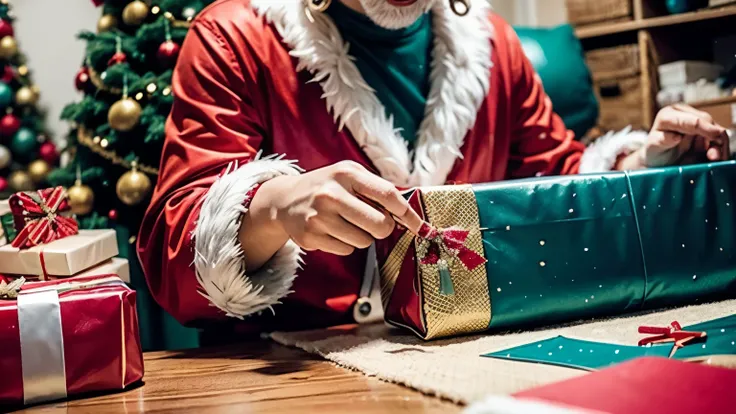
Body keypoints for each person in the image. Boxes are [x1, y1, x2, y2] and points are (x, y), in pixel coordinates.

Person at [137, 0, 730, 335]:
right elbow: (173, 258)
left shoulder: (493, 48)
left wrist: (646, 164)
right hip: (292, 372)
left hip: (470, 353)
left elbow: (561, 176)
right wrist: (272, 207)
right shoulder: (235, 38)